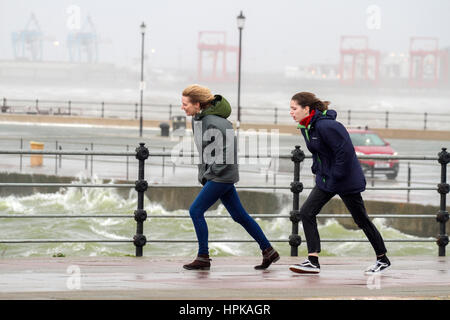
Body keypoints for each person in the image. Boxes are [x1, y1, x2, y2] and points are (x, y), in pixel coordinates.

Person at [288, 92, 391, 274]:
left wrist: (335, 175)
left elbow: (345, 153)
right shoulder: (307, 127)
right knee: (306, 213)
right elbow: (320, 152)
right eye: (290, 109)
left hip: (344, 180)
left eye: (294, 108)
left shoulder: (328, 126)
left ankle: (382, 259)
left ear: (307, 109)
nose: (291, 112)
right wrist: (317, 169)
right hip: (326, 179)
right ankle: (313, 260)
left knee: (361, 219)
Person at [180, 84, 279, 270]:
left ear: (198, 104)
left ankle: (203, 257)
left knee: (195, 211)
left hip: (221, 176)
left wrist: (211, 173)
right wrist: (204, 173)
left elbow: (228, 153)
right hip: (217, 175)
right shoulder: (198, 119)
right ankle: (269, 251)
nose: (182, 107)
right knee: (239, 215)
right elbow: (206, 151)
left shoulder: (216, 122)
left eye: (185, 104)